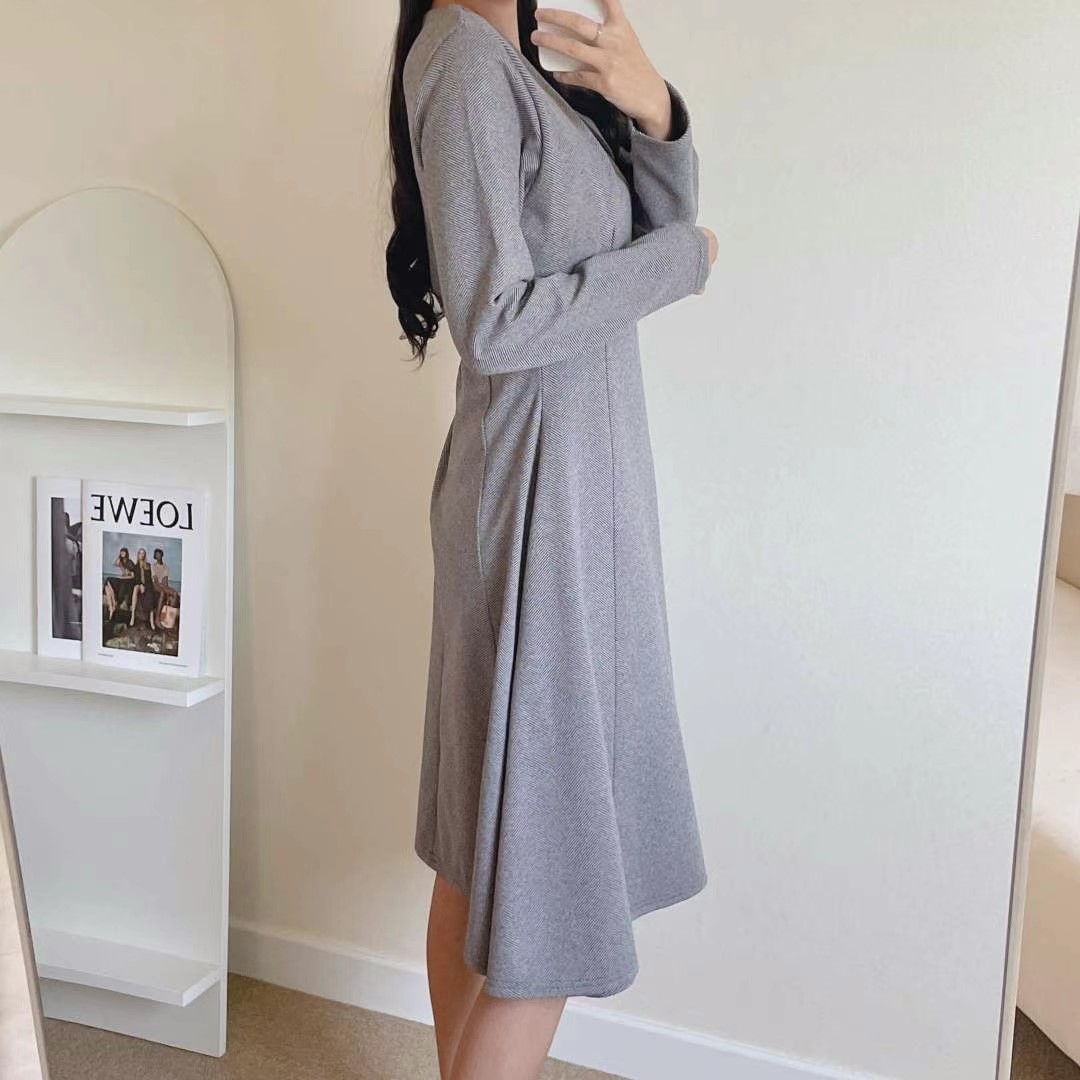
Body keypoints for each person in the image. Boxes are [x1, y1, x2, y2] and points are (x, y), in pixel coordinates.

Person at [385, 3, 715, 1077]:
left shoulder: (525, 66)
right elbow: (496, 322)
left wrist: (654, 110)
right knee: (551, 878)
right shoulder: (463, 64)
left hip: (578, 493)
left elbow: (649, 237)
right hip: (537, 503)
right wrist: (685, 261)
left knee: (490, 858)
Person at [129, 548, 156, 630]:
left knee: (150, 595)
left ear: (145, 555)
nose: (142, 555)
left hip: (148, 585)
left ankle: (152, 621)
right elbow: (135, 579)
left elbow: (150, 579)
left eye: (143, 553)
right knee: (135, 588)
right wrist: (141, 584)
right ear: (138, 555)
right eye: (140, 553)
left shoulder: (148, 565)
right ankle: (132, 616)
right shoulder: (135, 566)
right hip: (139, 585)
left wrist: (145, 586)